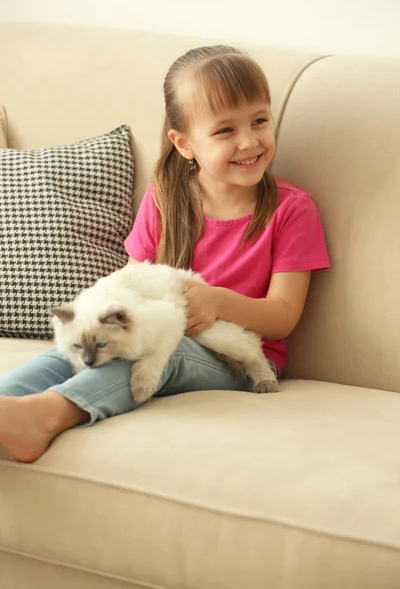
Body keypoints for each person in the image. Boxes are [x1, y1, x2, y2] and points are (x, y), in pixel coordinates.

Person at [0, 45, 330, 463]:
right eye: (225, 130)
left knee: (150, 354)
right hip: (164, 325)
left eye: (259, 121)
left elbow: (283, 317)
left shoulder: (291, 209)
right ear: (184, 143)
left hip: (233, 358)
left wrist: (216, 302)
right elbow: (132, 279)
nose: (249, 141)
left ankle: (43, 418)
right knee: (72, 350)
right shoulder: (166, 198)